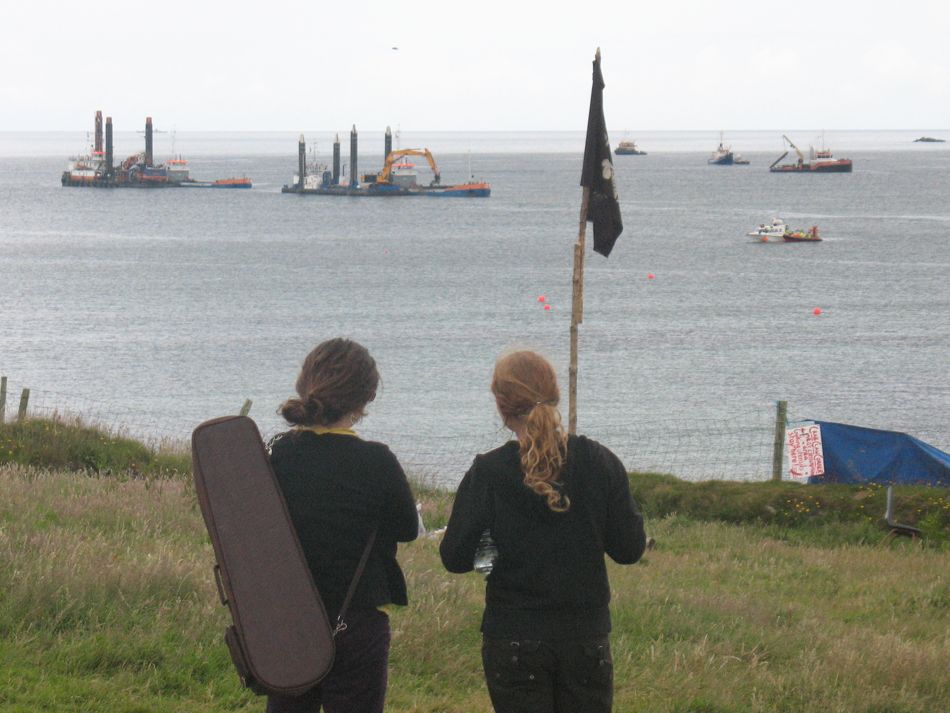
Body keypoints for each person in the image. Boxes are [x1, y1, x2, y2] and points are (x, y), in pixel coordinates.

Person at [440, 350, 646, 713]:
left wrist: (490, 547)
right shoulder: (600, 461)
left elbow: (454, 558)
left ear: (501, 406)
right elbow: (629, 550)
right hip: (585, 636)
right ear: (555, 396)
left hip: (513, 635)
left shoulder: (488, 472)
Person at [266, 338, 419, 713]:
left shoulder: (281, 455)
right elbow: (407, 528)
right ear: (366, 397)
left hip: (291, 619)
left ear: (305, 385)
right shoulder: (377, 461)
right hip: (357, 620)